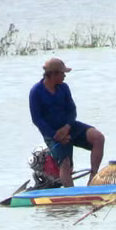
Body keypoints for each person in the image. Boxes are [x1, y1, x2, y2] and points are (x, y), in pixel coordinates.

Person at [29, 57, 105, 187]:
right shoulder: (36, 92)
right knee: (65, 164)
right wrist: (55, 135)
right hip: (53, 134)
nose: (64, 76)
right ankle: (71, 194)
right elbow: (37, 119)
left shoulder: (64, 88)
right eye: (62, 73)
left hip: (70, 127)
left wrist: (67, 127)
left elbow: (72, 111)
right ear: (53, 74)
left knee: (98, 138)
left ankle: (92, 182)